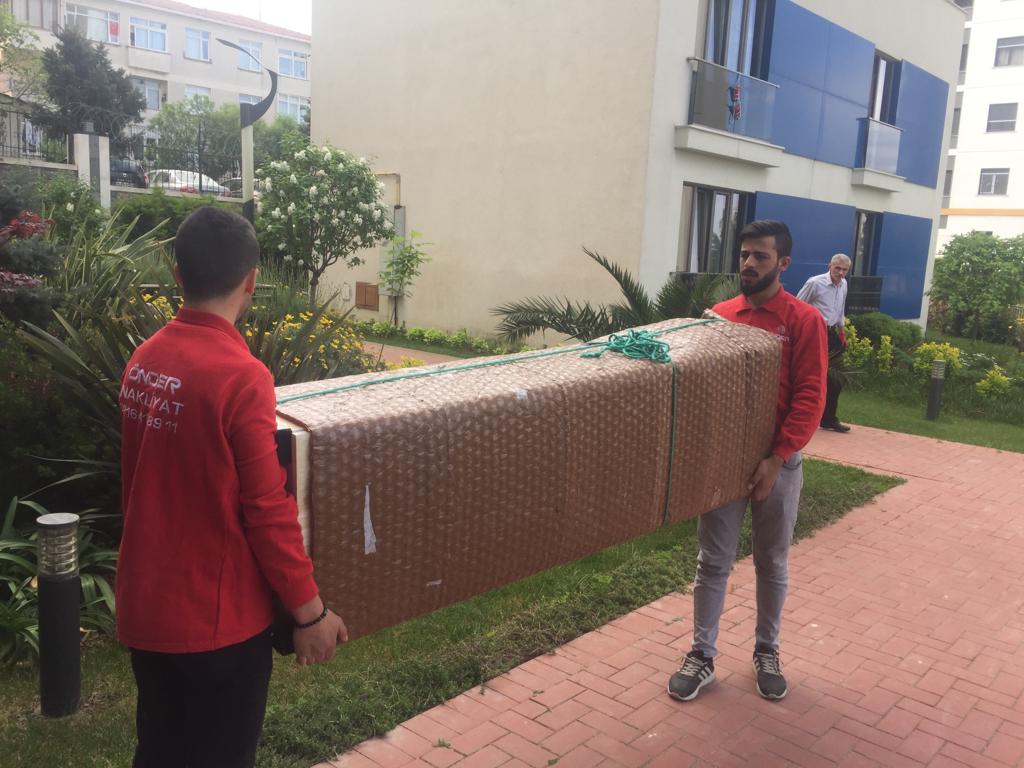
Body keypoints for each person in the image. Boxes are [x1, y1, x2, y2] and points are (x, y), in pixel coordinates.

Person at [117, 206, 348, 768]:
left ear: (177, 274)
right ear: (251, 281)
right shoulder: (241, 378)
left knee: (159, 752)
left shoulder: (144, 360)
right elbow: (268, 509)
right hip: (216, 626)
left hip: (148, 612)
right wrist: (311, 614)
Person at [667, 220, 826, 703]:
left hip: (779, 463)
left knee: (771, 561)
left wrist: (777, 458)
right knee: (713, 561)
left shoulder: (803, 321)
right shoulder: (720, 317)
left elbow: (811, 396)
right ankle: (702, 655)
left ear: (783, 263)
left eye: (760, 256)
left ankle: (767, 651)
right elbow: (703, 389)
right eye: (744, 255)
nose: (749, 264)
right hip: (724, 463)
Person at [797, 254, 852, 433]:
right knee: (810, 377)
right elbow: (798, 306)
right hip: (814, 333)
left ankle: (828, 419)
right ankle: (801, 417)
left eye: (844, 270)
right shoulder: (815, 283)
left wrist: (842, 332)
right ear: (829, 266)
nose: (841, 273)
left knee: (837, 378)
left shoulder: (844, 284)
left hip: (831, 333)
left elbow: (840, 309)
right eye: (838, 268)